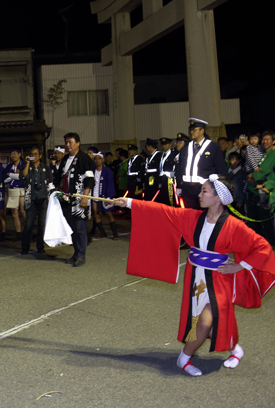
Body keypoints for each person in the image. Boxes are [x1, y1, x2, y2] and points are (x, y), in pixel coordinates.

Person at [110, 175, 275, 376]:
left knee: (205, 321)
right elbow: (163, 211)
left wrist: (240, 265)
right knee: (211, 322)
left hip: (219, 279)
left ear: (218, 197)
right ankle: (235, 348)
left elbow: (262, 247)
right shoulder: (192, 217)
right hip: (195, 277)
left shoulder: (234, 226)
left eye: (204, 191)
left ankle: (184, 358)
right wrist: (128, 202)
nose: (199, 195)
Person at [54, 132, 95, 267]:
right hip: (66, 197)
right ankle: (76, 253)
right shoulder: (65, 159)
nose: (68, 145)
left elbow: (89, 178)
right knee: (71, 228)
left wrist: (85, 197)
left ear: (78, 143)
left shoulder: (84, 158)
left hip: (79, 198)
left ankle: (81, 255)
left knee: (80, 228)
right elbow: (59, 177)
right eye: (66, 142)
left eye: (70, 142)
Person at [176, 118, 227, 209]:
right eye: (190, 130)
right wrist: (179, 186)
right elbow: (179, 167)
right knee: (189, 215)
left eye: (194, 130)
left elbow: (221, 169)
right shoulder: (186, 147)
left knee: (204, 215)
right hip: (187, 188)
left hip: (204, 188)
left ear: (202, 131)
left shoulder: (212, 147)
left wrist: (221, 188)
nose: (191, 132)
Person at [20, 146, 54, 254]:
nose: (33, 156)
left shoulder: (45, 168)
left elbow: (51, 182)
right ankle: (25, 247)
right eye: (31, 154)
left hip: (43, 198)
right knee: (28, 224)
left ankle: (40, 246)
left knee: (42, 224)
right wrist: (27, 163)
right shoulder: (27, 167)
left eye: (35, 154)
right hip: (31, 199)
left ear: (40, 156)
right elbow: (23, 177)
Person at [90, 152, 118, 240]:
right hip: (94, 195)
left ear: (103, 160)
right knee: (96, 214)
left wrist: (108, 197)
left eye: (99, 158)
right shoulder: (92, 171)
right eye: (96, 158)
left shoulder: (107, 171)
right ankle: (103, 233)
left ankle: (115, 233)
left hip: (105, 195)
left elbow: (110, 184)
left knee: (108, 213)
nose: (97, 160)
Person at [4, 149, 26, 242]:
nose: (13, 156)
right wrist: (15, 175)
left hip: (22, 189)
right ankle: (18, 233)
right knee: (14, 213)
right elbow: (4, 178)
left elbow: (24, 177)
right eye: (11, 154)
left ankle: (28, 230)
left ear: (19, 154)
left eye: (15, 154)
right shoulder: (9, 166)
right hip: (12, 189)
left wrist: (11, 175)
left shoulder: (24, 164)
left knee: (23, 211)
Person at [157, 137, 178, 206]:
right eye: (162, 145)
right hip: (163, 179)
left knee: (171, 198)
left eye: (165, 144)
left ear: (170, 145)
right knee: (163, 197)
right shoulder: (162, 154)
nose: (163, 146)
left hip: (170, 179)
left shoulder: (174, 154)